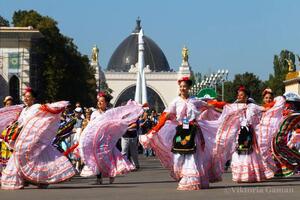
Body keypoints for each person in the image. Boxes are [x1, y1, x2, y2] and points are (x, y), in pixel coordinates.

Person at [140, 76, 216, 190]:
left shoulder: (194, 100)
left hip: (193, 131)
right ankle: (183, 175)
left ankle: (190, 179)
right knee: (178, 156)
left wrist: (228, 105)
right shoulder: (175, 101)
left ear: (189, 87)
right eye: (181, 86)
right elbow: (164, 117)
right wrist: (154, 129)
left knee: (192, 155)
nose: (182, 88)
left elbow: (210, 104)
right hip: (181, 131)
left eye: (185, 86)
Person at [1, 87, 76, 189]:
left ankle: (41, 180)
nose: (26, 98)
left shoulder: (37, 107)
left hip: (35, 139)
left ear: (33, 99)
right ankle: (21, 179)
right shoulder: (24, 110)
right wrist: (14, 133)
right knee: (18, 156)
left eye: (28, 97)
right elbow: (20, 123)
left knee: (38, 158)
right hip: (23, 138)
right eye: (25, 97)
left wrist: (56, 107)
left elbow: (46, 114)